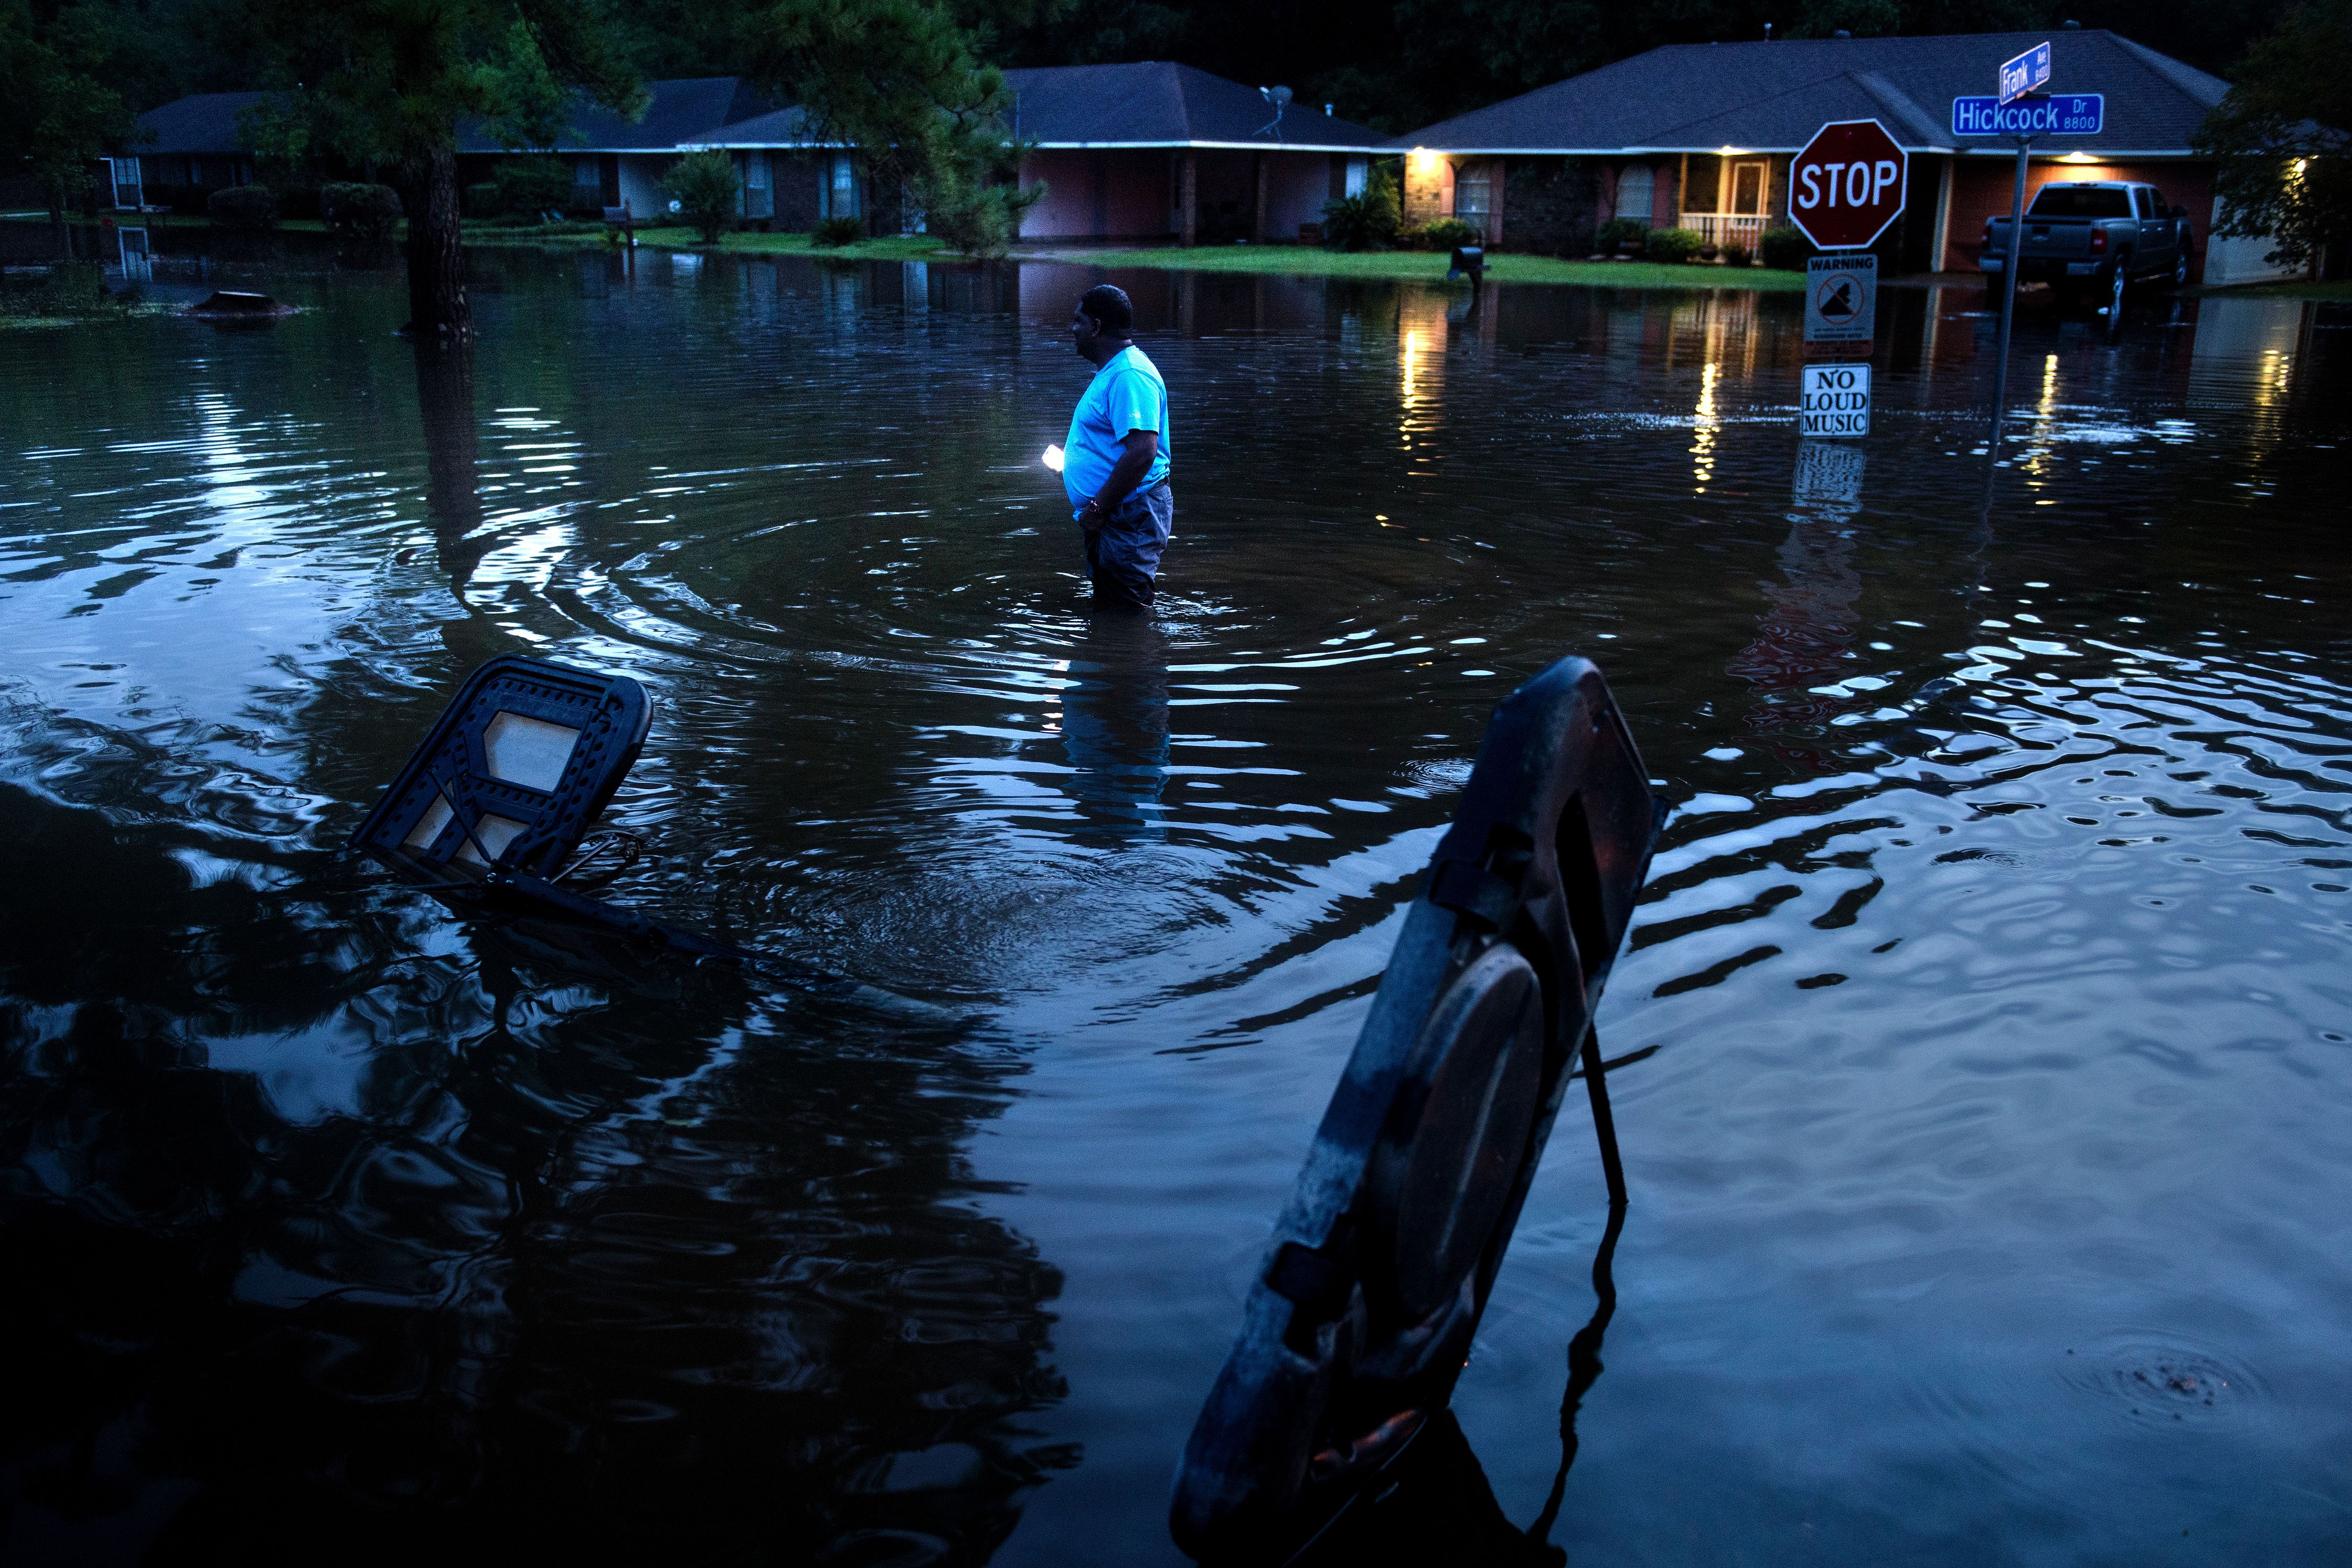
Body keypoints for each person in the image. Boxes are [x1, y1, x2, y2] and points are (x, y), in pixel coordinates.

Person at [1061, 284, 1173, 609]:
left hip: (1129, 512)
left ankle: (1134, 657)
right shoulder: (1113, 372)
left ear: (1096, 327)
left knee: (1127, 607)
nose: (1074, 330)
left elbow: (1142, 452)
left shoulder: (1129, 375)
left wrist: (1098, 507)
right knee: (1111, 604)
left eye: (1078, 321)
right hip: (1115, 511)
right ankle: (1117, 654)